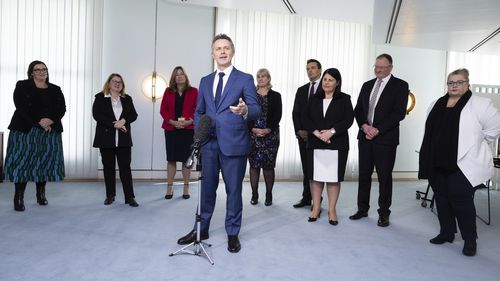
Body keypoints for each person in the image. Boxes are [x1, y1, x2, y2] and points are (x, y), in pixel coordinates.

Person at [176, 34, 261, 253]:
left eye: (226, 48)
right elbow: (200, 111)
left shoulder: (245, 79)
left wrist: (245, 111)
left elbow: (256, 108)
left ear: (232, 52)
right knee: (206, 189)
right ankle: (200, 229)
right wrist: (200, 132)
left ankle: (233, 233)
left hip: (234, 143)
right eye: (217, 48)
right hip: (209, 145)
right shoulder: (205, 81)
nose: (222, 52)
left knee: (233, 191)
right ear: (212, 54)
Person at [419, 68, 500, 256]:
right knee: (441, 198)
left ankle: (470, 240)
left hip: (463, 162)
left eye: (459, 82)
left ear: (467, 84)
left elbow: (494, 128)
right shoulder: (436, 104)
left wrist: (479, 142)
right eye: (451, 82)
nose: (454, 85)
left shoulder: (480, 104)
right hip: (436, 159)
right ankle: (447, 233)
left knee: (461, 201)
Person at [350, 53, 408, 227]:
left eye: (382, 67)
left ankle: (384, 213)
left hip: (386, 139)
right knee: (364, 175)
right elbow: (358, 110)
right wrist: (364, 126)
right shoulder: (367, 85)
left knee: (384, 177)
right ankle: (362, 209)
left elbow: (398, 113)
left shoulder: (400, 85)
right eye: (376, 66)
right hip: (365, 137)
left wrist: (377, 129)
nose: (378, 70)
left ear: (391, 67)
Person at [3, 60, 66, 211]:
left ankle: (41, 194)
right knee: (22, 163)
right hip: (25, 129)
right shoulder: (22, 86)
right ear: (31, 72)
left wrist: (50, 120)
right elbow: (21, 107)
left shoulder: (56, 89)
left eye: (44, 69)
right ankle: (19, 197)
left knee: (44, 162)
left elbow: (62, 108)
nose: (41, 72)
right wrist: (40, 122)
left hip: (50, 131)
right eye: (37, 69)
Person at [302, 68, 354, 225]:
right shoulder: (314, 99)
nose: (326, 82)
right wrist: (317, 133)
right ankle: (316, 208)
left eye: (330, 80)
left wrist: (331, 132)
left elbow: (348, 120)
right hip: (316, 143)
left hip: (336, 144)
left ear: (337, 83)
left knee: (333, 179)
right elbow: (305, 118)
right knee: (316, 178)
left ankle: (332, 210)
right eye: (325, 79)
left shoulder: (344, 99)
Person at [92, 73, 139, 207]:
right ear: (109, 83)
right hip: (106, 138)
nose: (117, 84)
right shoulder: (100, 97)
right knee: (108, 167)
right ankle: (110, 195)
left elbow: (133, 115)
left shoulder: (127, 98)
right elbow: (97, 115)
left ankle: (130, 197)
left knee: (125, 167)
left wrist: (123, 120)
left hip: (123, 139)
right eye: (114, 81)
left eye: (120, 82)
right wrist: (115, 124)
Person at [160, 66, 198, 200]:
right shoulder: (168, 91)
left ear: (185, 76)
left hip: (188, 130)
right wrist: (172, 121)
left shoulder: (194, 91)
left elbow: (198, 108)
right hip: (171, 129)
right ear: (173, 78)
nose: (179, 76)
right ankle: (169, 188)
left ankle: (186, 188)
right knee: (171, 159)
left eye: (182, 74)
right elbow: (163, 110)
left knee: (186, 160)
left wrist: (190, 121)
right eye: (177, 75)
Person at [248, 68, 282, 206]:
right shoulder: (250, 96)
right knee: (254, 166)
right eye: (259, 76)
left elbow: (278, 115)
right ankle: (254, 194)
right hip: (253, 135)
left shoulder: (276, 95)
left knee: (268, 167)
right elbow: (246, 115)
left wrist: (268, 129)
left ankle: (269, 194)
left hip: (270, 135)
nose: (261, 78)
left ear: (269, 79)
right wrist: (252, 129)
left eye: (264, 76)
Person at [292, 59, 322, 208]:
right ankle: (306, 197)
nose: (310, 71)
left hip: (319, 137)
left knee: (317, 169)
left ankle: (317, 199)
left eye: (313, 68)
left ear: (320, 70)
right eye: (308, 69)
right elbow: (295, 112)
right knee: (306, 168)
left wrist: (313, 132)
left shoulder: (326, 88)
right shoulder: (302, 90)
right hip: (303, 136)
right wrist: (299, 130)